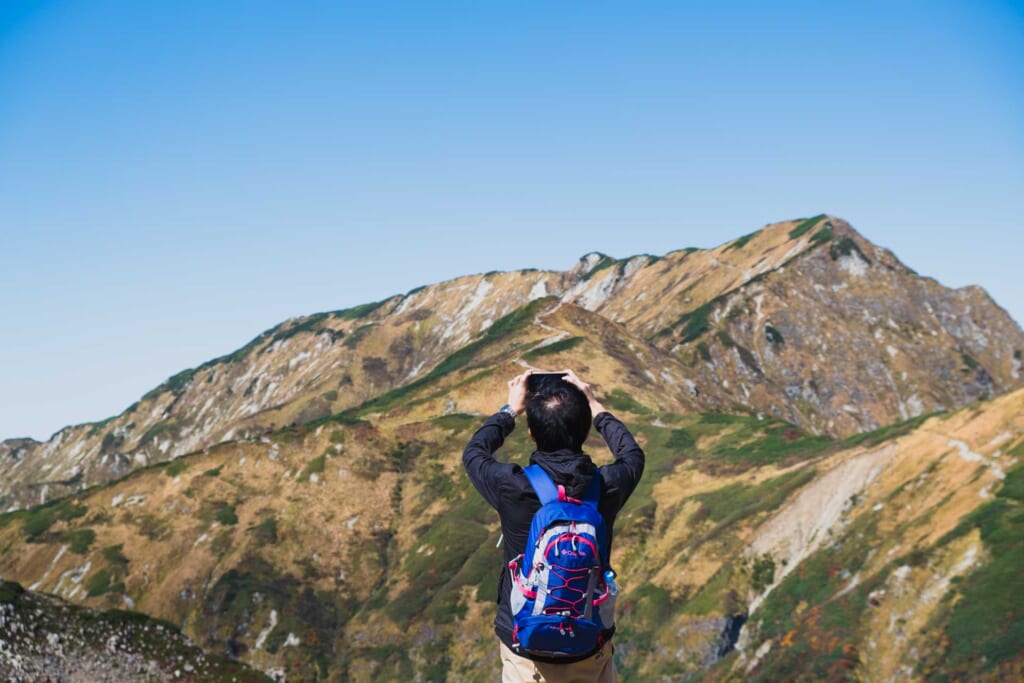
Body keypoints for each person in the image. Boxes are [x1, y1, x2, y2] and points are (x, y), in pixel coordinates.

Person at [462, 369, 646, 683]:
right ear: (586, 431)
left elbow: (474, 453)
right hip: (591, 646)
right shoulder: (608, 485)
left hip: (526, 650)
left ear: (532, 433)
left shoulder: (513, 486)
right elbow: (632, 454)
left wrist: (510, 410)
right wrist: (595, 404)